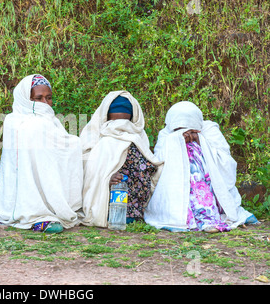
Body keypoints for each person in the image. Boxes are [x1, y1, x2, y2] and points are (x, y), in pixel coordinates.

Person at [144, 101, 259, 233]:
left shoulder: (209, 130)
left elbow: (224, 158)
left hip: (208, 180)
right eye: (179, 129)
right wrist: (177, 140)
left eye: (189, 129)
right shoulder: (165, 135)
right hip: (177, 182)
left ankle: (208, 216)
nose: (184, 132)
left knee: (195, 165)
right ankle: (193, 216)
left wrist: (199, 141)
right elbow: (159, 161)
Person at [0, 74, 83, 233]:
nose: (45, 103)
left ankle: (51, 209)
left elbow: (59, 147)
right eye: (38, 98)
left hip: (46, 175)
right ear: (25, 99)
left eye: (48, 98)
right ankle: (35, 214)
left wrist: (75, 144)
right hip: (23, 187)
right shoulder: (14, 121)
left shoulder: (51, 120)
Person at [80, 91, 163, 227]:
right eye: (115, 122)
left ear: (133, 119)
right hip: (108, 207)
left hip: (136, 209)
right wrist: (107, 178)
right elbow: (88, 169)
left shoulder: (139, 138)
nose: (120, 128)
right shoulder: (99, 140)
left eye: (125, 123)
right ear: (106, 118)